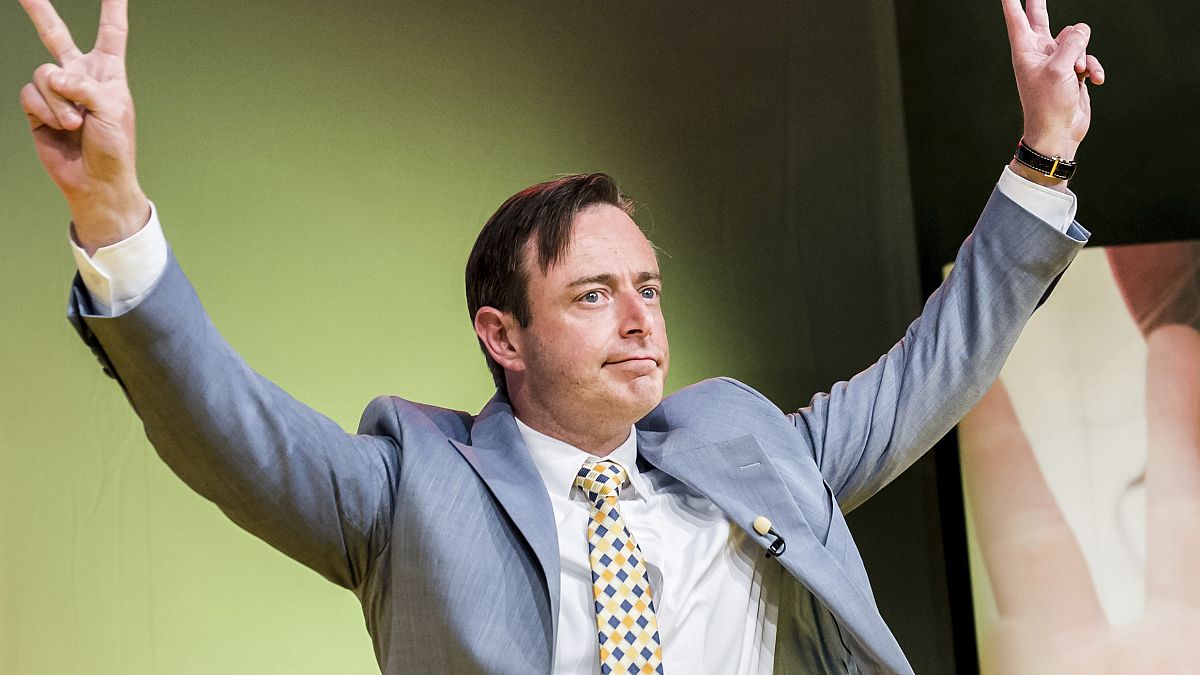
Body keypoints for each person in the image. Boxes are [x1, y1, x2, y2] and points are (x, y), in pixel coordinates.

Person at [17, 0, 1103, 672]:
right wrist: (111, 212)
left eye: (648, 286)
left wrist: (1041, 158)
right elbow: (221, 424)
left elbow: (936, 365)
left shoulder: (751, 450)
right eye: (591, 295)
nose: (640, 319)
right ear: (503, 335)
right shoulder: (407, 494)